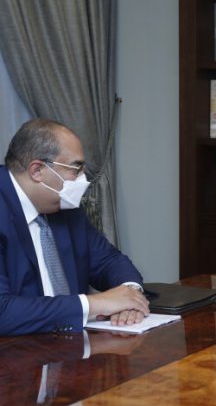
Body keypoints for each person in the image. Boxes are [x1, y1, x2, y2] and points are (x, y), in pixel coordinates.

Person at [0, 118, 149, 336]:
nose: (83, 179)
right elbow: (3, 313)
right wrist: (95, 304)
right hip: (16, 351)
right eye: (75, 168)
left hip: (73, 345)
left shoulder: (64, 206)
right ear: (37, 170)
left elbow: (109, 260)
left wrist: (130, 296)